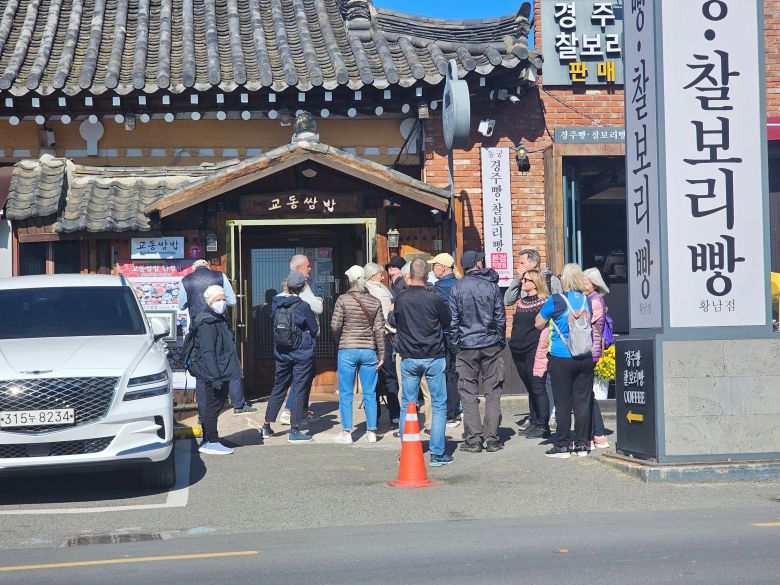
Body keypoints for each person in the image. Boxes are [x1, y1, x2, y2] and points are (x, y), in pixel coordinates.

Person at [391, 258, 453, 467]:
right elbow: (447, 320)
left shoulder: (401, 298)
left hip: (409, 356)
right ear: (427, 276)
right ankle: (437, 453)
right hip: (434, 354)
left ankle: (407, 448)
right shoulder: (434, 298)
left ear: (408, 276)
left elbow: (393, 320)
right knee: (437, 404)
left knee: (408, 404)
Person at [449, 250, 506, 453]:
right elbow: (500, 318)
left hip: (466, 345)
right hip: (490, 343)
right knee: (493, 392)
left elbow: (453, 321)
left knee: (468, 392)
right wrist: (500, 340)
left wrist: (455, 342)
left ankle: (473, 439)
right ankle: (491, 439)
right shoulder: (491, 287)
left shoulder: (457, 288)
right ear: (478, 264)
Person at [180, 259, 255, 414]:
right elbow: (233, 301)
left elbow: (181, 305)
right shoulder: (219, 276)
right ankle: (238, 404)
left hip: (199, 327)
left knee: (202, 370)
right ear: (208, 266)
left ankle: (203, 411)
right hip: (219, 324)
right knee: (230, 361)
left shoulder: (186, 280)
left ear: (194, 269)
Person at [535, 263, 594, 459]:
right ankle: (582, 445)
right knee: (582, 402)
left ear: (563, 280)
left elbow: (538, 323)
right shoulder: (587, 300)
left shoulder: (556, 300)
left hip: (561, 357)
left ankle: (562, 445)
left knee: (562, 402)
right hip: (585, 357)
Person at [330, 265, 385, 444]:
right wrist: (382, 354)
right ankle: (371, 431)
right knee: (369, 392)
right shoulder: (374, 302)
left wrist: (340, 340)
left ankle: (347, 432)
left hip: (347, 349)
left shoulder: (343, 300)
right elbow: (379, 330)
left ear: (350, 280)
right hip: (369, 350)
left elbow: (335, 325)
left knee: (346, 392)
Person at [262, 272, 318, 443]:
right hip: (301, 353)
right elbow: (314, 329)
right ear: (302, 287)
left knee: (278, 387)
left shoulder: (276, 304)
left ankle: (266, 426)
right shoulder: (303, 306)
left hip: (281, 352)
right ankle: (294, 430)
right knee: (299, 388)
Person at [189, 285, 244, 455]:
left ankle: (211, 438)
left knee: (216, 404)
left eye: (223, 299)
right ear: (210, 302)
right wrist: (215, 377)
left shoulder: (219, 318)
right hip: (213, 372)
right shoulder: (207, 322)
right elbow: (207, 352)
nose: (222, 302)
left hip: (222, 369)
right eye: (217, 300)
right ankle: (211, 441)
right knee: (213, 405)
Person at [278, 254, 324, 425]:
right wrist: (318, 299)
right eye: (307, 266)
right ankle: (289, 410)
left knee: (307, 373)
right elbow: (317, 307)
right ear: (298, 268)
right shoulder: (301, 285)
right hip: (304, 339)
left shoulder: (286, 288)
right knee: (302, 375)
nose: (310, 268)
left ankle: (302, 409)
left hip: (289, 338)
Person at [508, 269, 551, 439]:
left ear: (536, 282)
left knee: (538, 387)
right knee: (530, 388)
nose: (522, 282)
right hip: (517, 349)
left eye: (526, 280)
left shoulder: (545, 302)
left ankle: (543, 425)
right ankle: (534, 421)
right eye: (522, 279)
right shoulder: (521, 302)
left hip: (534, 350)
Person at [364, 262, 400, 426]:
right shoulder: (380, 291)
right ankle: (394, 413)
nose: (383, 276)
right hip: (384, 336)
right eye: (380, 274)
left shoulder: (363, 291)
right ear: (373, 276)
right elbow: (387, 316)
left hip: (367, 338)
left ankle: (373, 416)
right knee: (389, 375)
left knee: (371, 377)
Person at [428, 253, 461, 428]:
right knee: (457, 373)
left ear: (442, 267)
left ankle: (450, 413)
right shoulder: (459, 284)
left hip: (445, 335)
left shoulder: (439, 288)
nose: (433, 269)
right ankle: (457, 410)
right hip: (462, 334)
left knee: (447, 373)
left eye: (434, 265)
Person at [583, 267, 611, 449]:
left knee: (585, 395)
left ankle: (597, 434)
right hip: (590, 350)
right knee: (586, 394)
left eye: (584, 282)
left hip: (590, 352)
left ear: (594, 283)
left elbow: (584, 322)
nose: (581, 285)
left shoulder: (595, 302)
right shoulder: (593, 299)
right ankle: (596, 434)